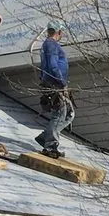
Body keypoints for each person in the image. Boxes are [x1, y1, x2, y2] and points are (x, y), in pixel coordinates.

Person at [35, 20, 74, 158]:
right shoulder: (51, 44)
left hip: (53, 83)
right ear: (59, 32)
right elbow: (52, 65)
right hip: (55, 84)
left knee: (69, 114)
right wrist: (61, 82)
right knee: (60, 114)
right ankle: (50, 146)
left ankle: (44, 137)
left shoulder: (48, 45)